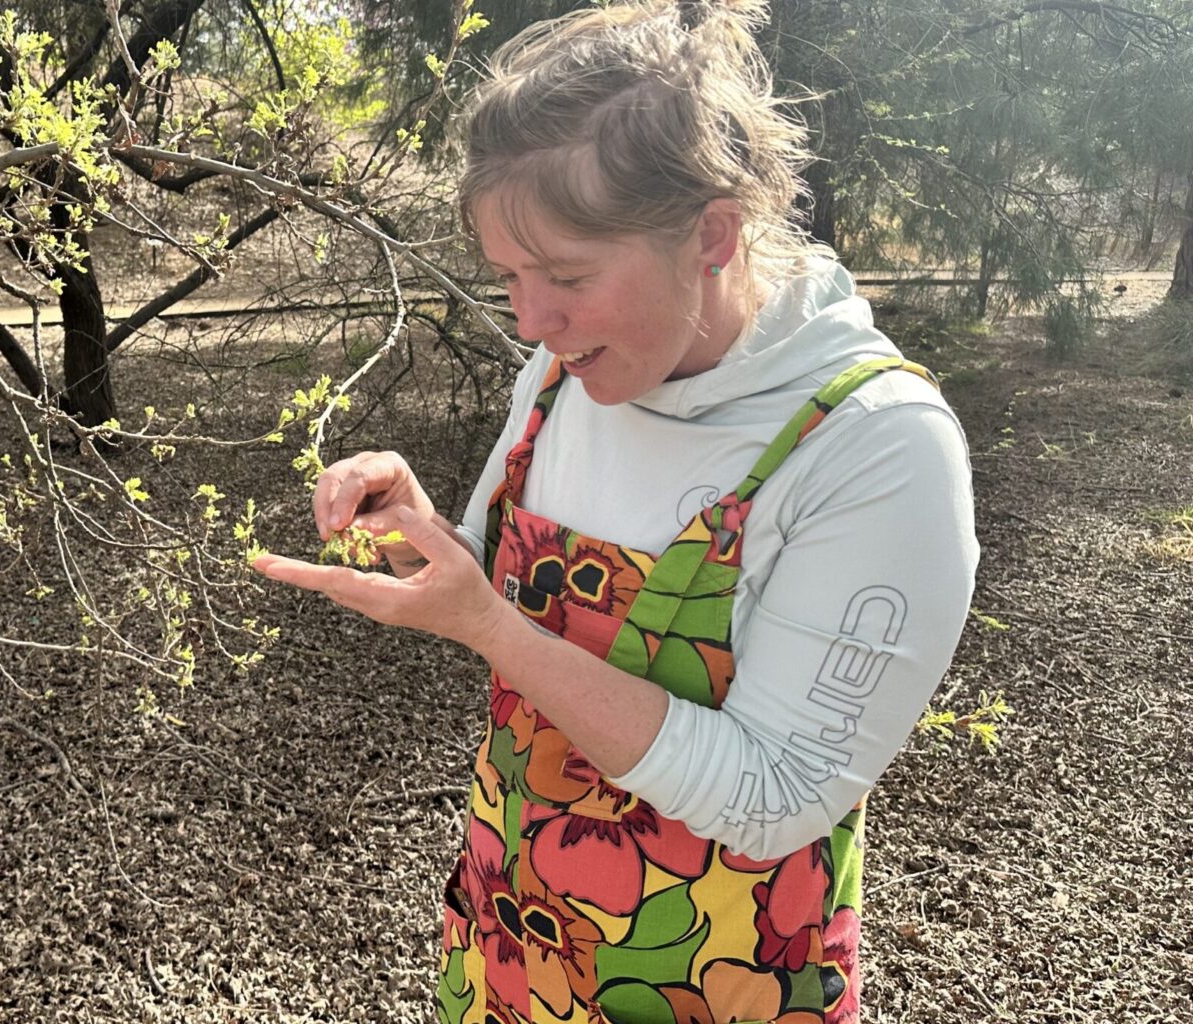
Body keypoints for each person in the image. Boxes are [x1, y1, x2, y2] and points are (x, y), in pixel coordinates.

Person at [250, 1, 981, 1022]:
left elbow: (775, 798)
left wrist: (486, 625)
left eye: (566, 276)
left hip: (716, 985)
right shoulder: (566, 372)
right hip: (507, 947)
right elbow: (507, 591)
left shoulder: (871, 445)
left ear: (714, 234)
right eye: (509, 275)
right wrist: (430, 532)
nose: (530, 320)